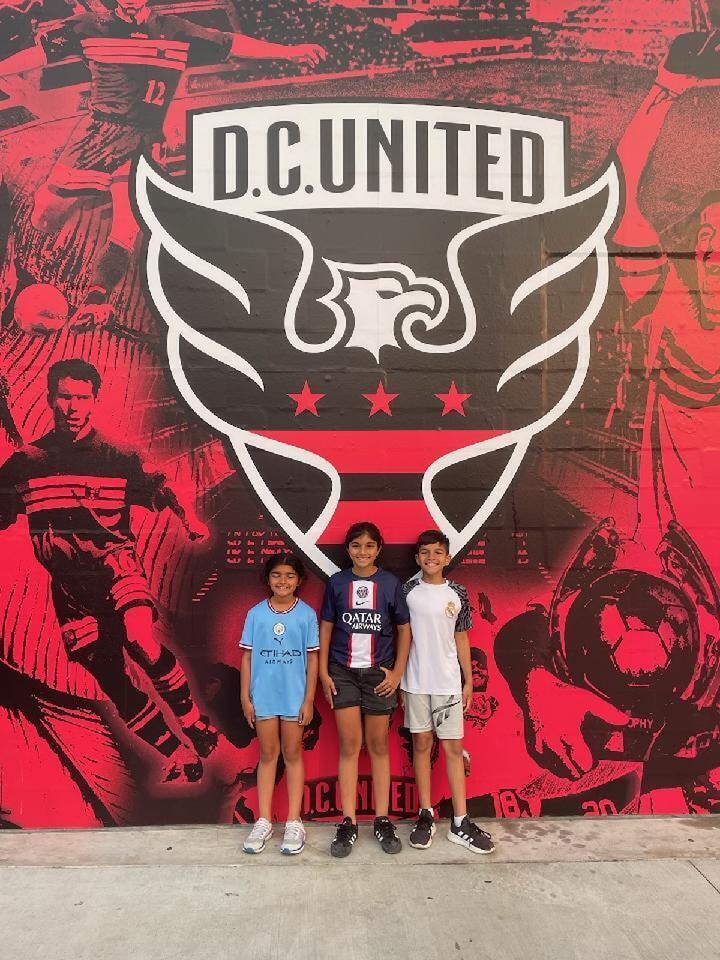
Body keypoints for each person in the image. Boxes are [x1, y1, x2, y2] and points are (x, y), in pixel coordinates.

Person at [0, 0, 326, 327]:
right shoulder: (89, 25)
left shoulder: (176, 30)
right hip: (96, 136)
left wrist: (289, 52)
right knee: (45, 215)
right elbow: (40, 54)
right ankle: (25, 267)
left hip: (144, 140)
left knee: (126, 229)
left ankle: (97, 299)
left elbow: (231, 43)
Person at [0, 358, 217, 782]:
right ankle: (177, 751)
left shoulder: (118, 456)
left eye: (82, 398)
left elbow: (164, 488)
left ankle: (193, 723)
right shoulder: (25, 464)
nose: (73, 407)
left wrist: (189, 520)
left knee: (140, 639)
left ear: (95, 400)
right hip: (69, 589)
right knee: (112, 678)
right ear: (50, 399)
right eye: (65, 396)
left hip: (116, 568)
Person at [319, 521, 411, 858]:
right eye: (356, 545)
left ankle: (382, 819)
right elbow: (326, 627)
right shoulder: (337, 582)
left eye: (369, 545)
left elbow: (404, 629)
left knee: (378, 746)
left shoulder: (389, 583)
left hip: (378, 676)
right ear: (348, 549)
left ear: (379, 549)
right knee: (349, 746)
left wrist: (397, 673)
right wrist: (323, 672)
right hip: (342, 674)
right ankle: (348, 821)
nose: (363, 551)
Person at [401, 529, 494, 854]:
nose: (431, 558)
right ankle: (425, 814)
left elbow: (462, 637)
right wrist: (399, 679)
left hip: (447, 683)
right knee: (421, 745)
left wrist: (468, 680)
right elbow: (401, 636)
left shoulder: (458, 593)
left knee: (453, 749)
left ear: (447, 557)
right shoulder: (407, 591)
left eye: (437, 552)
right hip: (415, 682)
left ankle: (459, 821)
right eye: (425, 553)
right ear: (417, 558)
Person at [239, 552, 319, 854]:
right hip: (263, 697)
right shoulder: (256, 614)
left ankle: (294, 821)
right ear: (267, 578)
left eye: (289, 576)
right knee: (268, 754)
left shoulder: (306, 615)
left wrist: (308, 700)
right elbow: (247, 657)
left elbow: (313, 660)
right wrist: (245, 697)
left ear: (299, 580)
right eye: (276, 575)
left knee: (293, 753)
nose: (282, 581)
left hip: (294, 698)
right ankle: (263, 820)